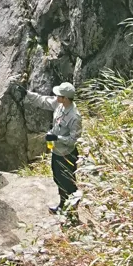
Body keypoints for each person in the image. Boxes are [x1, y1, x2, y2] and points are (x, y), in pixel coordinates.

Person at [48, 80, 81, 213]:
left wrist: (56, 138)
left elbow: (74, 140)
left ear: (65, 98)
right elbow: (44, 101)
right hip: (56, 151)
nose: (56, 97)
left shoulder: (75, 116)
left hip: (67, 155)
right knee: (58, 178)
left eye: (59, 95)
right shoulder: (60, 106)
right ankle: (64, 205)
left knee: (67, 182)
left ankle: (70, 210)